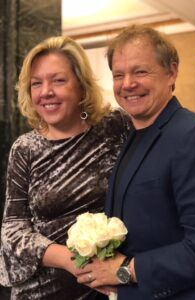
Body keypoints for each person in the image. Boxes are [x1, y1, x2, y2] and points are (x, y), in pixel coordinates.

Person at [75, 24, 195, 300]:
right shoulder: (134, 135)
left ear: (172, 72)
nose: (127, 84)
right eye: (118, 75)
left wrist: (124, 271)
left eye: (140, 71)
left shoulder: (194, 136)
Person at [0, 35, 132, 300]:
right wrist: (70, 260)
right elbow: (12, 230)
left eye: (58, 80)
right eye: (36, 83)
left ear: (82, 86)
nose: (46, 91)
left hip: (107, 286)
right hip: (41, 291)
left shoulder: (115, 127)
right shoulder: (25, 148)